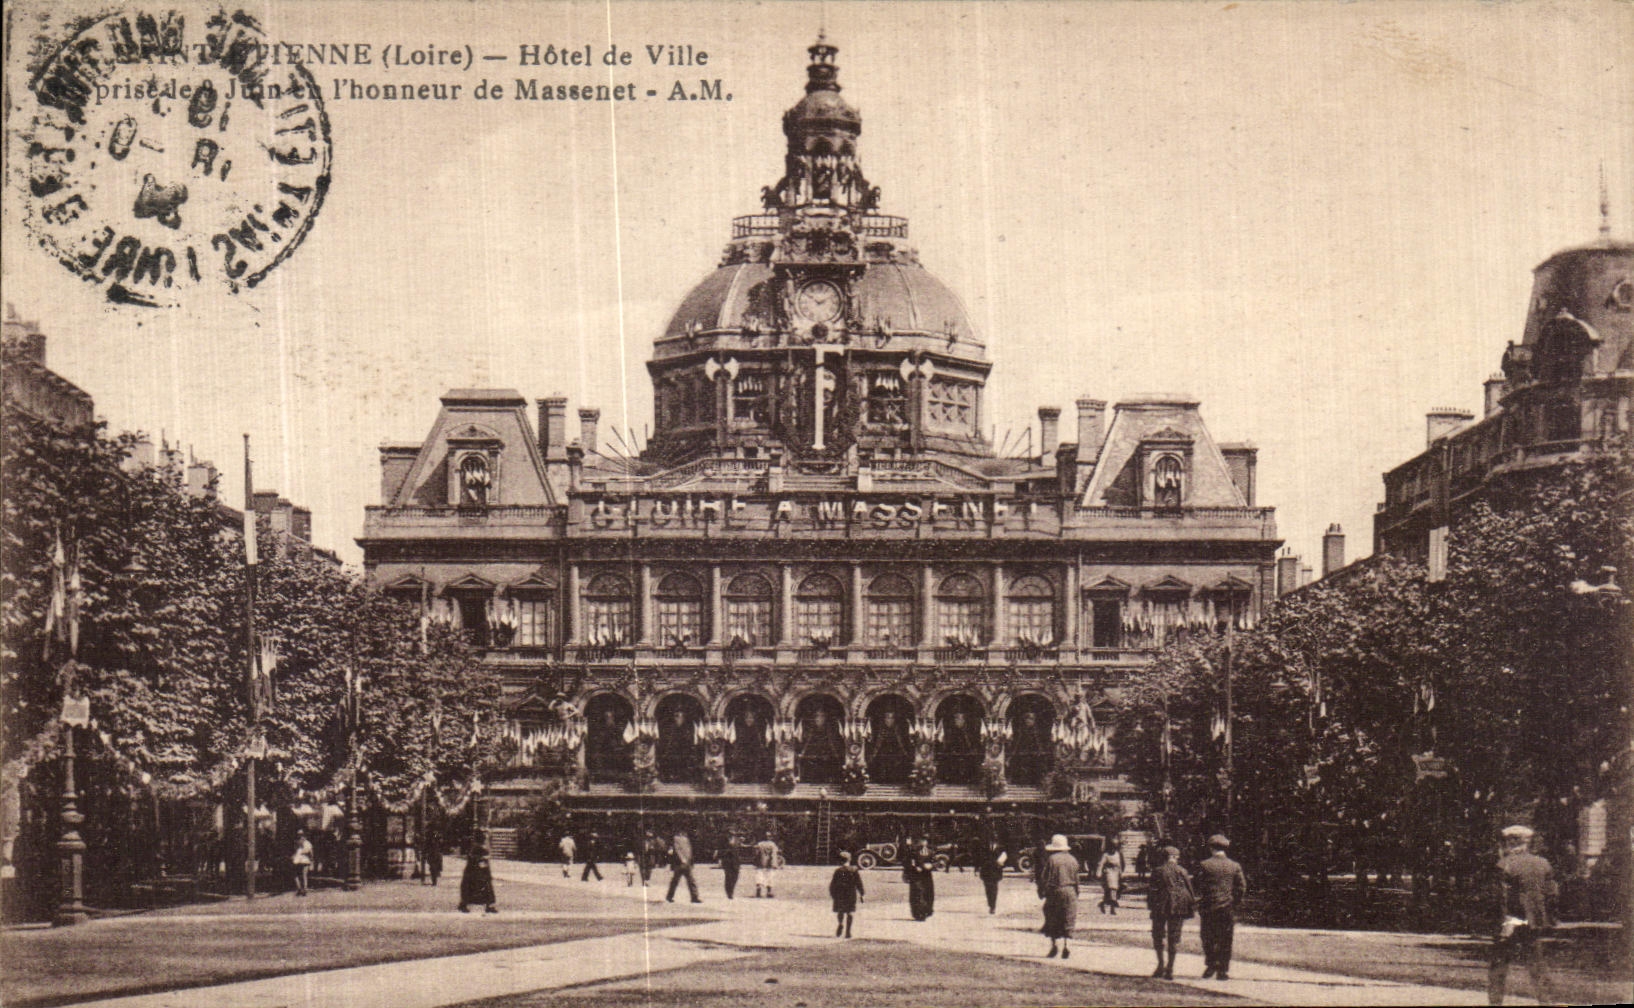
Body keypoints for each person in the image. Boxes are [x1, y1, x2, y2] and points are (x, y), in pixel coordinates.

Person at [1488, 824, 1557, 1006]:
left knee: (1499, 966)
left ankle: (1495, 1004)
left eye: (1508, 841)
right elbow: (1551, 894)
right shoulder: (1543, 864)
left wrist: (1504, 922)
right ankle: (1546, 1002)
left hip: (1510, 922)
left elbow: (1500, 897)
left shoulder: (1504, 864)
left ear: (1512, 842)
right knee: (1537, 966)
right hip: (1534, 922)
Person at [1194, 833, 1247, 979]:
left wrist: (1200, 902)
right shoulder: (1234, 865)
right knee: (1225, 938)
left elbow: (1198, 886)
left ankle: (1211, 964)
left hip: (1209, 907)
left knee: (1208, 937)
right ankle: (1223, 969)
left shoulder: (1204, 865)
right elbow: (1242, 887)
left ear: (1211, 847)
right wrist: (1234, 902)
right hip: (1227, 908)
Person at [1147, 845, 1196, 979]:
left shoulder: (1157, 871)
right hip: (1178, 907)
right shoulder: (1182, 871)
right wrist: (1191, 906)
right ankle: (1170, 968)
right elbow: (1190, 890)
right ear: (1176, 857)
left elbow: (1151, 890)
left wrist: (1150, 906)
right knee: (1173, 938)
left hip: (1160, 906)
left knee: (1158, 935)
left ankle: (1160, 965)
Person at [1037, 834, 1080, 959]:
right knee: (1068, 917)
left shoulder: (1052, 859)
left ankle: (1054, 945)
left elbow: (1045, 878)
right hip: (1070, 891)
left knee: (1052, 917)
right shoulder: (1073, 860)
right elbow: (1077, 879)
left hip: (1056, 891)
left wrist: (1042, 891)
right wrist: (1077, 892)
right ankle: (1067, 946)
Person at [458, 831, 498, 913]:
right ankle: (489, 906)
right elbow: (481, 862)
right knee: (485, 889)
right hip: (479, 873)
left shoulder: (474, 848)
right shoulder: (480, 849)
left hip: (471, 872)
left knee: (470, 889)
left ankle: (464, 904)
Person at [829, 850, 865, 937]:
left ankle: (841, 923)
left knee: (840, 911)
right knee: (850, 912)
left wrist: (833, 894)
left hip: (840, 894)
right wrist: (862, 893)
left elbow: (833, 884)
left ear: (840, 861)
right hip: (851, 893)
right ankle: (848, 931)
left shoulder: (838, 871)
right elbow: (858, 883)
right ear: (849, 860)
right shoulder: (854, 870)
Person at [904, 837, 936, 921]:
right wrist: (914, 868)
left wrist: (931, 866)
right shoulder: (913, 851)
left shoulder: (930, 851)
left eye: (925, 841)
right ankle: (919, 913)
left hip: (927, 875)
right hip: (916, 875)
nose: (923, 843)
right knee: (917, 893)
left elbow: (934, 861)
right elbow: (910, 861)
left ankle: (927, 910)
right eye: (922, 841)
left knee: (928, 893)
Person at [666, 830, 702, 903]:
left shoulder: (686, 839)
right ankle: (670, 896)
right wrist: (683, 859)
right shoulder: (677, 838)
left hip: (686, 862)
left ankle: (694, 897)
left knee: (690, 880)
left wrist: (689, 860)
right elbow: (677, 849)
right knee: (677, 880)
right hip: (680, 863)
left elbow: (689, 851)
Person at [977, 838, 1008, 914]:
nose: (992, 843)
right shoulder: (984, 847)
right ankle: (990, 903)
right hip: (986, 872)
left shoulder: (1001, 848)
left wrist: (1001, 864)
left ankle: (993, 906)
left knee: (994, 890)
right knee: (987, 889)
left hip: (995, 872)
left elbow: (1005, 858)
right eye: (991, 841)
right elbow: (980, 858)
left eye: (994, 841)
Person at [1097, 837, 1125, 914]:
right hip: (1108, 873)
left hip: (1115, 873)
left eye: (1115, 847)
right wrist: (1098, 873)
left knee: (1112, 891)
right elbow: (1101, 864)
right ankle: (1112, 908)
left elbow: (1119, 865)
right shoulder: (1105, 855)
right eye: (1112, 847)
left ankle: (1104, 904)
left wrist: (1121, 874)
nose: (1113, 849)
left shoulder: (1118, 854)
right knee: (1111, 889)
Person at [754, 832, 781, 898]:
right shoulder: (772, 844)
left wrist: (756, 862)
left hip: (761, 863)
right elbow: (773, 855)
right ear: (770, 837)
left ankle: (758, 890)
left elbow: (756, 853)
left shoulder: (760, 844)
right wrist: (774, 864)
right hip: (769, 863)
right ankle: (769, 892)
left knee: (759, 876)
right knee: (769, 877)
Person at [290, 829, 313, 896]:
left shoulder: (296, 842)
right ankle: (305, 889)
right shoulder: (308, 843)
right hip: (305, 859)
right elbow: (311, 852)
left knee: (295, 874)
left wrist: (293, 856)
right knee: (304, 875)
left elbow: (295, 851)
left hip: (297, 859)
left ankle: (299, 888)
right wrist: (311, 859)